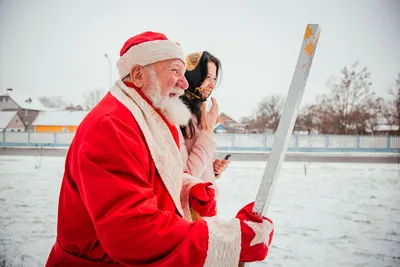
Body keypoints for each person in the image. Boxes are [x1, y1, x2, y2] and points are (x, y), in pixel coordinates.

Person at [45, 31, 274, 267]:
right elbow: (132, 232)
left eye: (184, 73)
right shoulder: (111, 126)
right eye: (175, 71)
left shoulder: (152, 117)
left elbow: (153, 173)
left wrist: (187, 187)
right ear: (137, 75)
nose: (184, 83)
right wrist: (230, 240)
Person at [179, 51, 230, 185]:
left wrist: (212, 169)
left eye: (214, 79)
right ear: (192, 76)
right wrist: (207, 133)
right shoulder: (175, 115)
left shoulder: (197, 114)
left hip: (205, 203)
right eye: (207, 77)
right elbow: (186, 177)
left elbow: (197, 166)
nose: (212, 85)